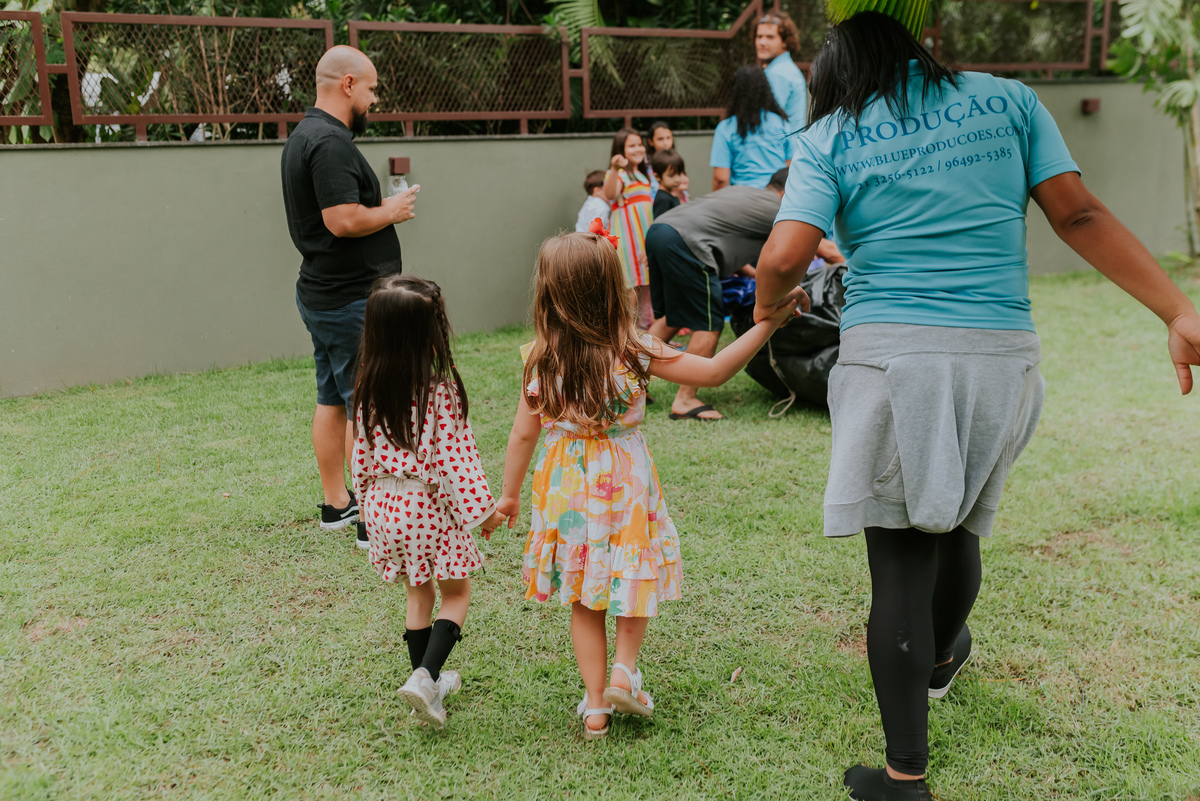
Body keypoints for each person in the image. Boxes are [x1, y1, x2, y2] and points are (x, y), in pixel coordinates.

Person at [753, 13, 1200, 801]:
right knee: (957, 516)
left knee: (897, 557)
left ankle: (903, 779)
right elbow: (1079, 216)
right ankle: (937, 656)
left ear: (837, 74)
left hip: (894, 359)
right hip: (1002, 355)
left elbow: (786, 254)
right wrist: (1176, 310)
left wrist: (766, 306)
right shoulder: (1009, 101)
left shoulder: (832, 133)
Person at [494, 226, 804, 740]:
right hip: (625, 481)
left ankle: (596, 707)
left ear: (549, 293)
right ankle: (624, 671)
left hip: (566, 487)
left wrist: (507, 495)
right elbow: (716, 369)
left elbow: (523, 434)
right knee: (629, 574)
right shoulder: (636, 349)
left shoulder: (540, 357)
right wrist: (769, 323)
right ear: (614, 289)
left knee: (583, 593)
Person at [281, 45, 420, 549]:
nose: (375, 98)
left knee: (332, 399)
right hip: (347, 301)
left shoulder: (304, 136)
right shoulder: (330, 142)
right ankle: (371, 521)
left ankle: (338, 504)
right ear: (347, 85)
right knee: (367, 404)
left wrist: (378, 208)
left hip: (323, 294)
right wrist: (392, 210)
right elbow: (341, 220)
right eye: (371, 88)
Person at [352, 274, 506, 729]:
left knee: (418, 594)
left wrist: (365, 505)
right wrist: (487, 513)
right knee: (456, 594)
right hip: (427, 508)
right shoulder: (438, 392)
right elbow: (458, 464)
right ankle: (426, 675)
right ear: (428, 333)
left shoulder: (366, 386)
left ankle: (429, 686)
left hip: (383, 505)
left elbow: (358, 453)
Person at [648, 168, 842, 421]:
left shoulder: (744, 196)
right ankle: (685, 400)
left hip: (660, 232)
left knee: (674, 317)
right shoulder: (776, 208)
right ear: (788, 192)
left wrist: (754, 277)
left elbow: (723, 243)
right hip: (687, 243)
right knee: (709, 322)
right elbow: (825, 249)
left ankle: (630, 382)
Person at [603, 128, 655, 328]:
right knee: (630, 286)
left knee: (646, 285)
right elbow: (610, 194)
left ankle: (645, 334)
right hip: (627, 239)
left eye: (640, 144)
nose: (638, 149)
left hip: (644, 238)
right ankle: (627, 332)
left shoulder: (643, 176)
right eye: (632, 145)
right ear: (620, 150)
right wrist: (615, 168)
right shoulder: (618, 174)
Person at [710, 66, 792, 191]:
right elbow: (790, 166)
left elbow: (721, 179)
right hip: (777, 196)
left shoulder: (726, 128)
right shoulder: (782, 124)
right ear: (766, 90)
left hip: (742, 199)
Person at [755, 11, 807, 133]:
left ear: (785, 41)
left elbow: (769, 124)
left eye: (770, 37)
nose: (762, 42)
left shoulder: (779, 73)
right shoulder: (786, 68)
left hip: (779, 149)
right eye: (759, 36)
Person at [650, 149, 686, 217]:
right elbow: (660, 224)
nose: (677, 179)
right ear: (657, 176)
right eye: (671, 175)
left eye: (679, 174)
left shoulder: (670, 195)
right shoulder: (663, 199)